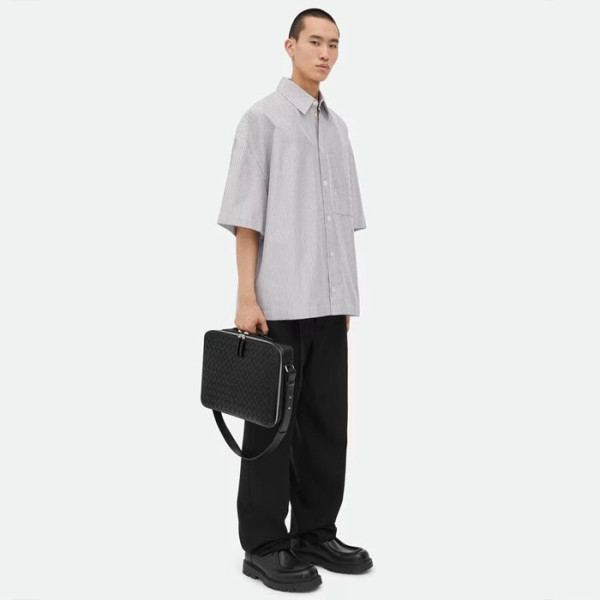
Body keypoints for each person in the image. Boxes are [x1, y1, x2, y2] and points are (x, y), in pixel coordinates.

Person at [216, 8, 372, 592]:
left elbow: (343, 223)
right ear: (289, 46)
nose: (325, 53)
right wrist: (245, 297)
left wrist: (345, 296)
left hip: (329, 305)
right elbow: (246, 219)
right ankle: (263, 545)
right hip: (277, 303)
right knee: (270, 429)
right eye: (315, 42)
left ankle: (314, 532)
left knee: (328, 424)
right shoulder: (263, 120)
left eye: (334, 44)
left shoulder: (339, 130)